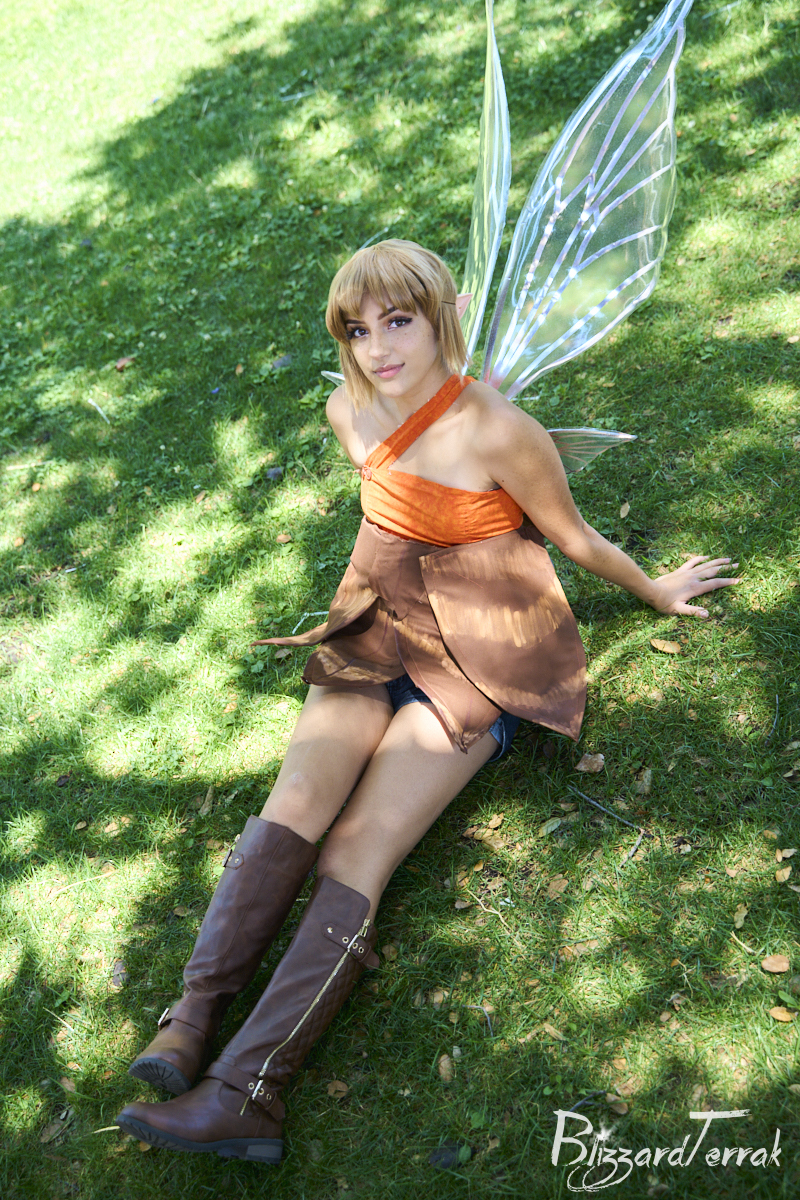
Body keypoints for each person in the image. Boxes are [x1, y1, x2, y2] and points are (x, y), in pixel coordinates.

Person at [116, 240, 739, 1162]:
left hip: (482, 653)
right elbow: (393, 514)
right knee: (296, 800)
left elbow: (571, 537)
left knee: (357, 845)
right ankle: (190, 1021)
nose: (378, 348)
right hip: (376, 626)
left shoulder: (500, 430)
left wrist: (653, 589)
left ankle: (249, 1092)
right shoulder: (348, 409)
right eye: (357, 331)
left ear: (442, 315)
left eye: (399, 321)